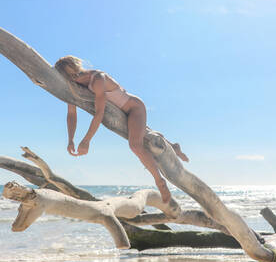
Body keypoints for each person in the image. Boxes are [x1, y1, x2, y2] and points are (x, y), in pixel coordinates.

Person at [54, 55, 188, 203]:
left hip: (134, 108)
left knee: (135, 145)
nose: (75, 78)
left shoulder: (97, 78)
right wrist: (70, 139)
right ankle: (174, 146)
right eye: (70, 77)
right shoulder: (73, 85)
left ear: (76, 68)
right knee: (144, 136)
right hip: (120, 113)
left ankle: (160, 182)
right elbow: (71, 114)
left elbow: (99, 112)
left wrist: (86, 140)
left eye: (75, 74)